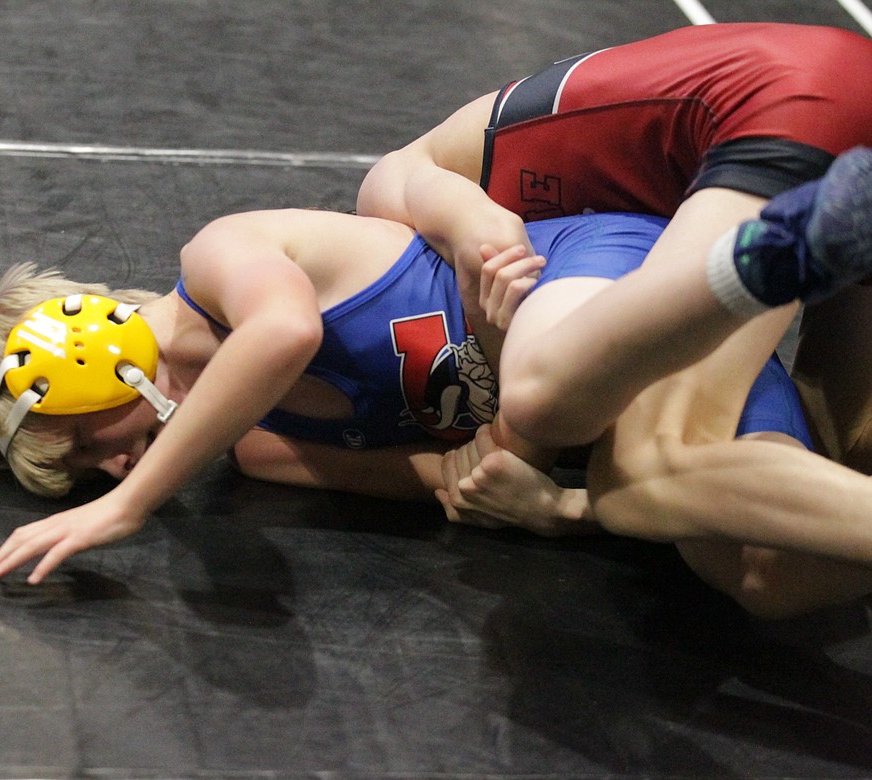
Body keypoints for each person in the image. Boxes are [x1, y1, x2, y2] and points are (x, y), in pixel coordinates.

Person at [0, 206, 828, 615]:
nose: (111, 469)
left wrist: (125, 509)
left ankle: (795, 244)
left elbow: (285, 331)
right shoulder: (261, 450)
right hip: (604, 411)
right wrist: (549, 511)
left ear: (85, 366)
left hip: (595, 280)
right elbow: (468, 479)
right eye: (90, 481)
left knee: (544, 380)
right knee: (764, 582)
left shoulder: (218, 257)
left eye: (83, 452)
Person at [355, 23, 872, 602]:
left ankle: (762, 262)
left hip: (788, 108)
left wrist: (567, 506)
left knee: (623, 454)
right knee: (774, 567)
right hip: (825, 137)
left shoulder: (403, 198)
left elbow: (405, 182)